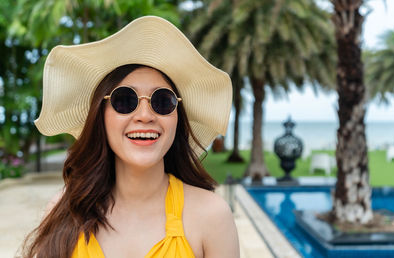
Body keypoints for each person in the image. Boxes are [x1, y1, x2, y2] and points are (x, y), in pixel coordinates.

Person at [22, 16, 239, 258]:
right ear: (100, 116)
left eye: (162, 101)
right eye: (124, 100)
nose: (145, 115)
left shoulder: (212, 216)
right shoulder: (63, 211)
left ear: (178, 118)